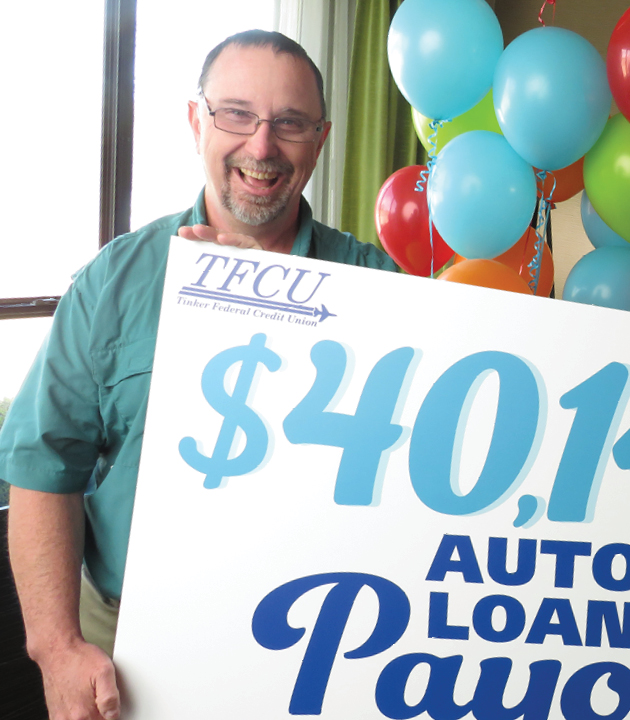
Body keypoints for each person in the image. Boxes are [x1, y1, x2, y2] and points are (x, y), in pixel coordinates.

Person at [0, 30, 396, 720]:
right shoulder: (113, 282)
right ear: (196, 122)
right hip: (127, 645)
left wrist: (277, 300)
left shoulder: (380, 284)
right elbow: (42, 466)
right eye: (236, 114)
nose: (262, 146)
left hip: (319, 640)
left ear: (322, 138)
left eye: (290, 123)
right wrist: (56, 647)